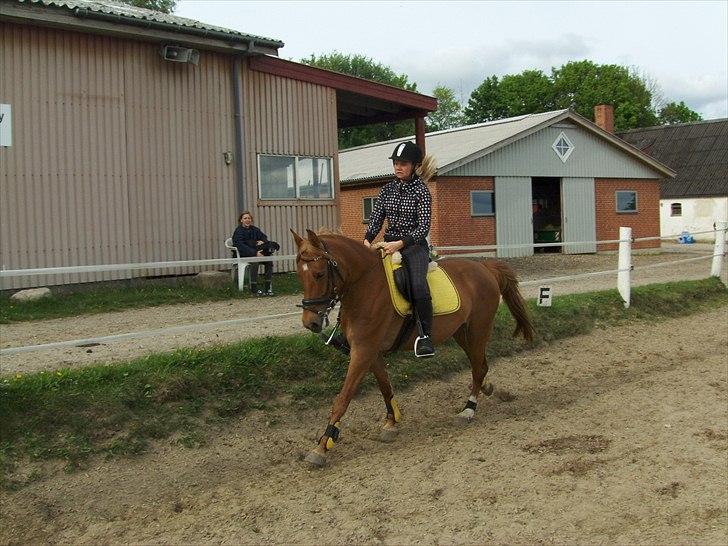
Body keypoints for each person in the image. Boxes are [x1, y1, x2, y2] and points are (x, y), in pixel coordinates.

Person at [364, 141, 435, 358]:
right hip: (387, 245)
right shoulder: (386, 190)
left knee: (417, 284)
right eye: (396, 163)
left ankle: (425, 336)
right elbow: (376, 220)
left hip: (413, 247)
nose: (398, 167)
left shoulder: (422, 191)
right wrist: (366, 240)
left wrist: (401, 243)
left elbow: (423, 227)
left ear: (414, 165)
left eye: (403, 163)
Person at [232, 211, 273, 296]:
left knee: (269, 261)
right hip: (243, 255)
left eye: (249, 218)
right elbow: (240, 246)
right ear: (241, 220)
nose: (247, 220)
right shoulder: (238, 231)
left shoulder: (255, 229)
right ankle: (254, 289)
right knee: (255, 262)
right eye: (245, 218)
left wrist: (263, 241)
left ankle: (268, 288)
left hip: (257, 253)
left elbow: (264, 237)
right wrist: (254, 253)